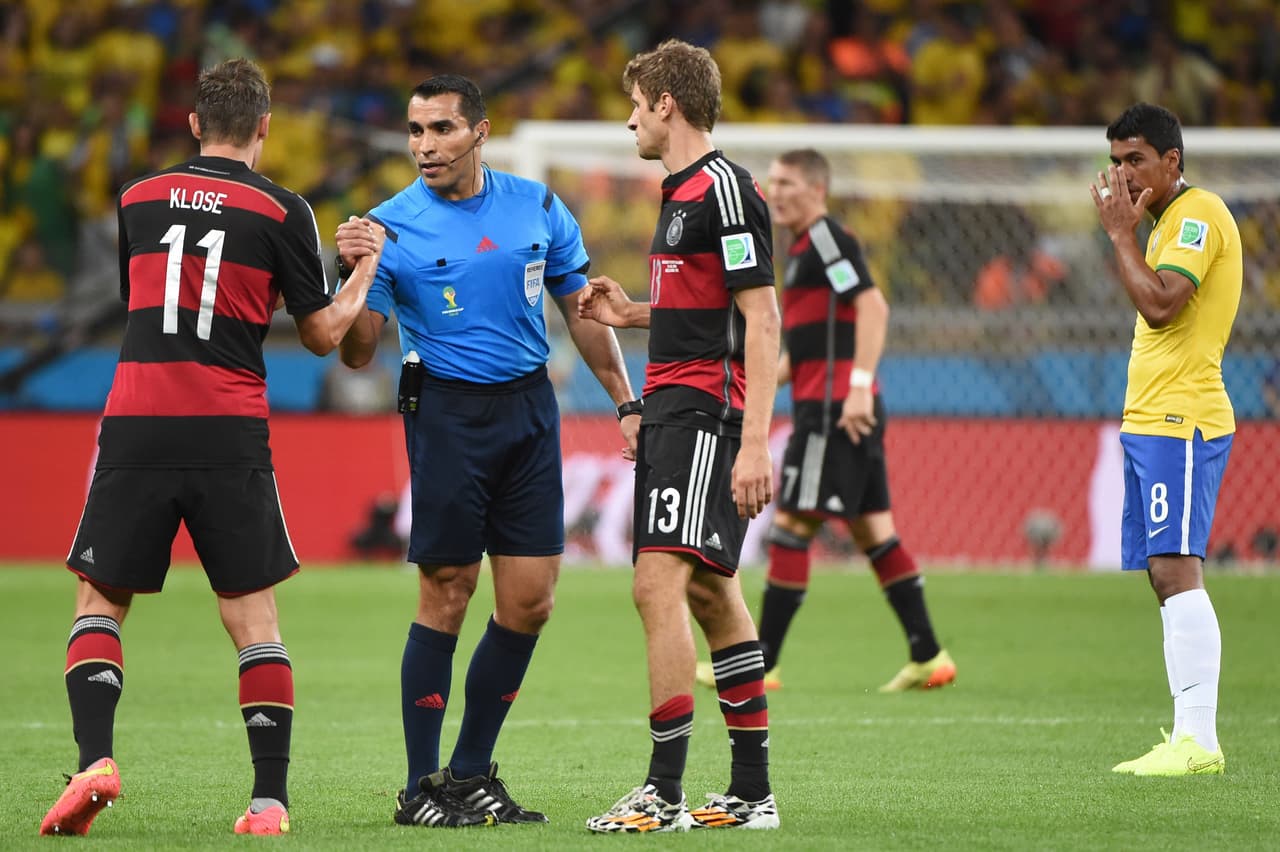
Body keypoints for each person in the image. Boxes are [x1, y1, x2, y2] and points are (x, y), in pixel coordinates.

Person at [41, 58, 386, 837]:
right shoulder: (283, 210)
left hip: (137, 418)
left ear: (194, 124)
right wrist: (365, 270)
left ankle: (96, 757)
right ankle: (268, 802)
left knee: (101, 603)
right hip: (229, 426)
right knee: (253, 619)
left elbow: (154, 298)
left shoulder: (137, 198)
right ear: (265, 126)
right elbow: (328, 335)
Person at [335, 73, 639, 828]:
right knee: (447, 592)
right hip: (444, 414)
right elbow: (357, 355)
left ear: (480, 131)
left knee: (531, 601)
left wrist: (626, 402)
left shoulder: (536, 206)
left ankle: (469, 775)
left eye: (440, 129)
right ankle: (417, 790)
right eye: (414, 131)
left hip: (531, 411)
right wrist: (356, 270)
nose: (424, 146)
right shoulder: (388, 226)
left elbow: (583, 313)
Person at [576, 39, 782, 833]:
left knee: (655, 584)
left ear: (668, 102)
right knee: (710, 592)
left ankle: (663, 794)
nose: (629, 116)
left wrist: (756, 440)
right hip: (674, 405)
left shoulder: (726, 190)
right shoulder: (680, 191)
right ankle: (752, 794)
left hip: (704, 411)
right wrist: (631, 315)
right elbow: (707, 307)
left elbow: (760, 317)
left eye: (636, 101)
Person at [692, 148, 956, 696]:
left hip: (836, 411)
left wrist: (858, 387)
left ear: (817, 188)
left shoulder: (828, 238)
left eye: (788, 181)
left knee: (791, 527)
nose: (777, 190)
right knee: (873, 530)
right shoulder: (803, 250)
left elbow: (873, 307)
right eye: (773, 181)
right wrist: (754, 392)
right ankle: (928, 655)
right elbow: (806, 352)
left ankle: (762, 662)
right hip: (834, 403)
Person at [1092, 102, 1240, 777]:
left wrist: (1119, 235)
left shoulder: (1198, 215)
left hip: (1183, 419)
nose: (1123, 175)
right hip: (1154, 421)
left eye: (1137, 161)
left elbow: (1159, 305)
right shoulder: (1163, 225)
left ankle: (1198, 741)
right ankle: (1188, 734)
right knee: (1162, 573)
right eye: (1117, 161)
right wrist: (1131, 233)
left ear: (1171, 162)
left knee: (1178, 569)